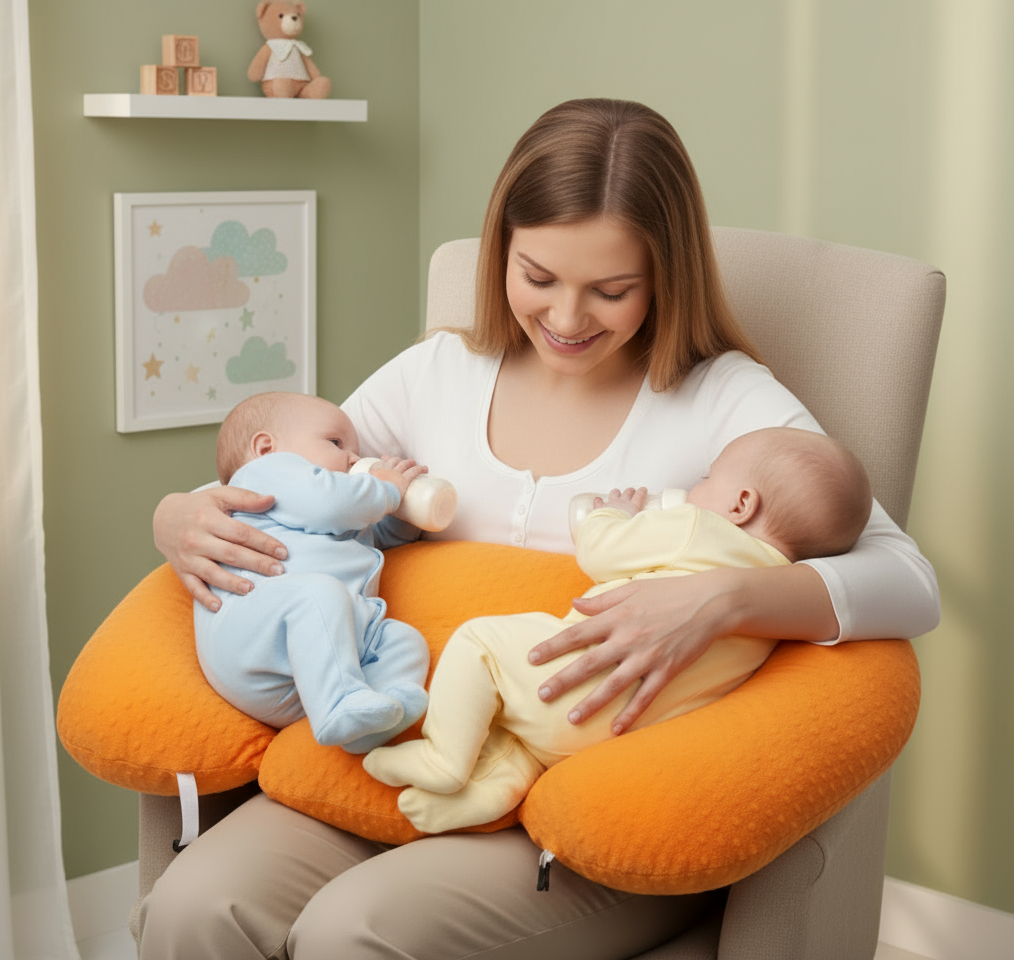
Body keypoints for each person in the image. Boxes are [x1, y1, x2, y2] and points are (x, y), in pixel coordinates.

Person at [143, 99, 939, 959]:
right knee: (196, 906)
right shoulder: (438, 373)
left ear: (666, 275)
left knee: (355, 936)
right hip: (401, 738)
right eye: (538, 277)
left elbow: (909, 581)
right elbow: (294, 482)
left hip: (574, 798)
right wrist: (176, 514)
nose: (566, 318)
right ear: (500, 254)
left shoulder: (722, 400)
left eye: (612, 289)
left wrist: (723, 600)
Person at [363, 426, 872, 834]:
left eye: (708, 477)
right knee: (524, 735)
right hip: (617, 733)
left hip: (570, 678)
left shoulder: (698, 527)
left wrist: (614, 514)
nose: (696, 488)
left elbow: (600, 553)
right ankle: (499, 783)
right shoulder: (775, 611)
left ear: (740, 505)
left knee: (481, 644)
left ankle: (445, 757)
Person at [193, 391, 431, 751]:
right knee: (318, 593)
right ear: (265, 447)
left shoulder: (334, 516)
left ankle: (376, 714)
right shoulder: (264, 475)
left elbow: (376, 535)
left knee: (402, 639)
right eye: (335, 442)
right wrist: (385, 489)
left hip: (311, 675)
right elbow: (330, 501)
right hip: (253, 642)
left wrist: (403, 514)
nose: (355, 458)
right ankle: (341, 705)